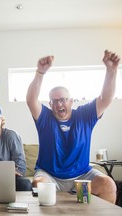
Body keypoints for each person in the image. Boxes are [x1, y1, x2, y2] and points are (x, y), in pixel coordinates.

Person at [26, 50, 120, 203]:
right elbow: (31, 100)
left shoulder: (85, 115)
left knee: (108, 184)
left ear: (71, 101)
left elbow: (105, 98)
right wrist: (40, 73)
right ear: (50, 104)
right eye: (54, 101)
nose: (59, 104)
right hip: (50, 176)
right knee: (39, 185)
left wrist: (111, 70)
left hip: (82, 177)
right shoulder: (45, 117)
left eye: (62, 100)